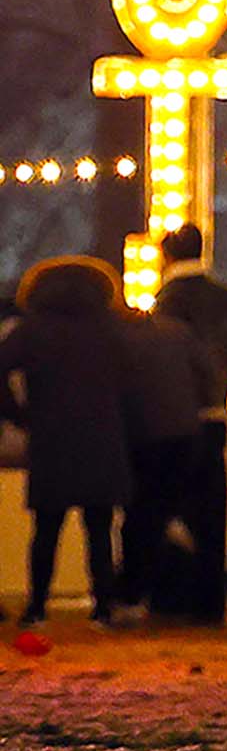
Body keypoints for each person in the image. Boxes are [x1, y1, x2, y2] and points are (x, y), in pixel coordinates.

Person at [0, 258, 133, 628]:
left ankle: (37, 606)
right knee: (100, 529)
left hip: (50, 438)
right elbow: (133, 378)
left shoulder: (31, 330)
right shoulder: (112, 329)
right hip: (102, 436)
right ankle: (103, 606)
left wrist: (19, 415)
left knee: (46, 530)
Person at [154, 223, 227, 624]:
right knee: (213, 510)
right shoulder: (226, 297)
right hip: (217, 415)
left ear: (166, 255)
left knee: (171, 506)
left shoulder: (168, 301)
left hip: (176, 416)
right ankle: (210, 600)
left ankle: (173, 598)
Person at [115, 285, 218, 618]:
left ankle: (133, 593)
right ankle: (180, 593)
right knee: (173, 511)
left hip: (143, 436)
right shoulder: (179, 333)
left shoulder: (120, 340)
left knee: (140, 516)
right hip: (187, 434)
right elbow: (207, 373)